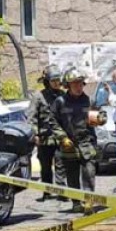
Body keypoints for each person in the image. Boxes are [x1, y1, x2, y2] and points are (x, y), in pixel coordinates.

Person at [51, 68, 97, 214]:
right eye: (74, 84)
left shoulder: (89, 100)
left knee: (89, 172)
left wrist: (100, 118)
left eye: (80, 83)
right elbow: (52, 122)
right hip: (68, 144)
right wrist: (62, 137)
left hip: (86, 142)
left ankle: (88, 201)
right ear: (68, 85)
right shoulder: (60, 102)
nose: (78, 86)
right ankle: (76, 203)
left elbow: (98, 115)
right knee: (72, 175)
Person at [26, 65, 67, 201]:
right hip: (44, 138)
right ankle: (47, 191)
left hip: (60, 137)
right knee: (45, 166)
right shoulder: (38, 96)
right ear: (47, 81)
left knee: (61, 165)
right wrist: (35, 135)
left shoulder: (63, 96)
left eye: (57, 80)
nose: (56, 83)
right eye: (53, 80)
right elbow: (31, 117)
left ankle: (62, 191)